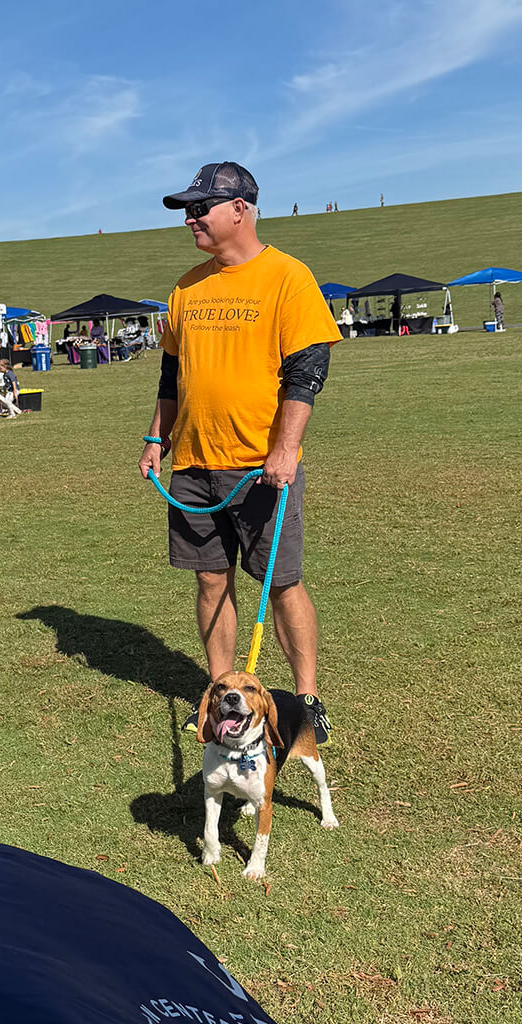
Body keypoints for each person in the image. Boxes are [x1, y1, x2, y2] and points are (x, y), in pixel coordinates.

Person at [139, 161, 340, 744]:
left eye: (200, 208)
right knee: (210, 581)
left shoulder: (287, 277)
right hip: (193, 464)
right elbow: (172, 374)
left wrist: (286, 448)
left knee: (282, 583)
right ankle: (221, 693)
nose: (191, 219)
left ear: (240, 208)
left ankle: (306, 700)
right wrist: (156, 438)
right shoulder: (186, 286)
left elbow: (307, 371)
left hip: (260, 466)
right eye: (187, 211)